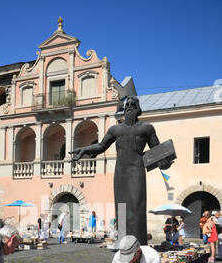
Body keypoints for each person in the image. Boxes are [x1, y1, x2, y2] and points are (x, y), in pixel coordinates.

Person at [70, 96, 174, 245]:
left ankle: (138, 245)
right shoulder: (115, 129)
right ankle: (124, 243)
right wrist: (84, 150)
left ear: (138, 109)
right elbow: (101, 146)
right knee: (122, 208)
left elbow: (158, 151)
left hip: (137, 170)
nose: (129, 107)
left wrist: (164, 163)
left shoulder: (146, 128)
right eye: (127, 105)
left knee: (137, 207)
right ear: (124, 110)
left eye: (133, 105)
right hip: (120, 173)